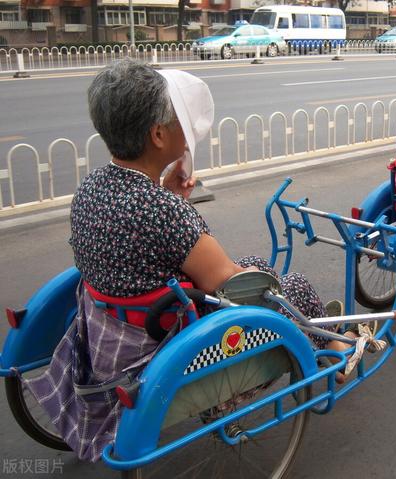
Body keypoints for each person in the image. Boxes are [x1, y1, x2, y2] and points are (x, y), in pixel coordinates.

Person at [25, 59, 358, 463]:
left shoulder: (91, 189)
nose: (188, 129)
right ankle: (337, 349)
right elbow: (229, 283)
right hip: (167, 341)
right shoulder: (163, 212)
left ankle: (327, 338)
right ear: (158, 134)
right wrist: (178, 209)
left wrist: (168, 195)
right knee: (293, 287)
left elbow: (143, 244)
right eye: (179, 118)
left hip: (115, 327)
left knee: (258, 264)